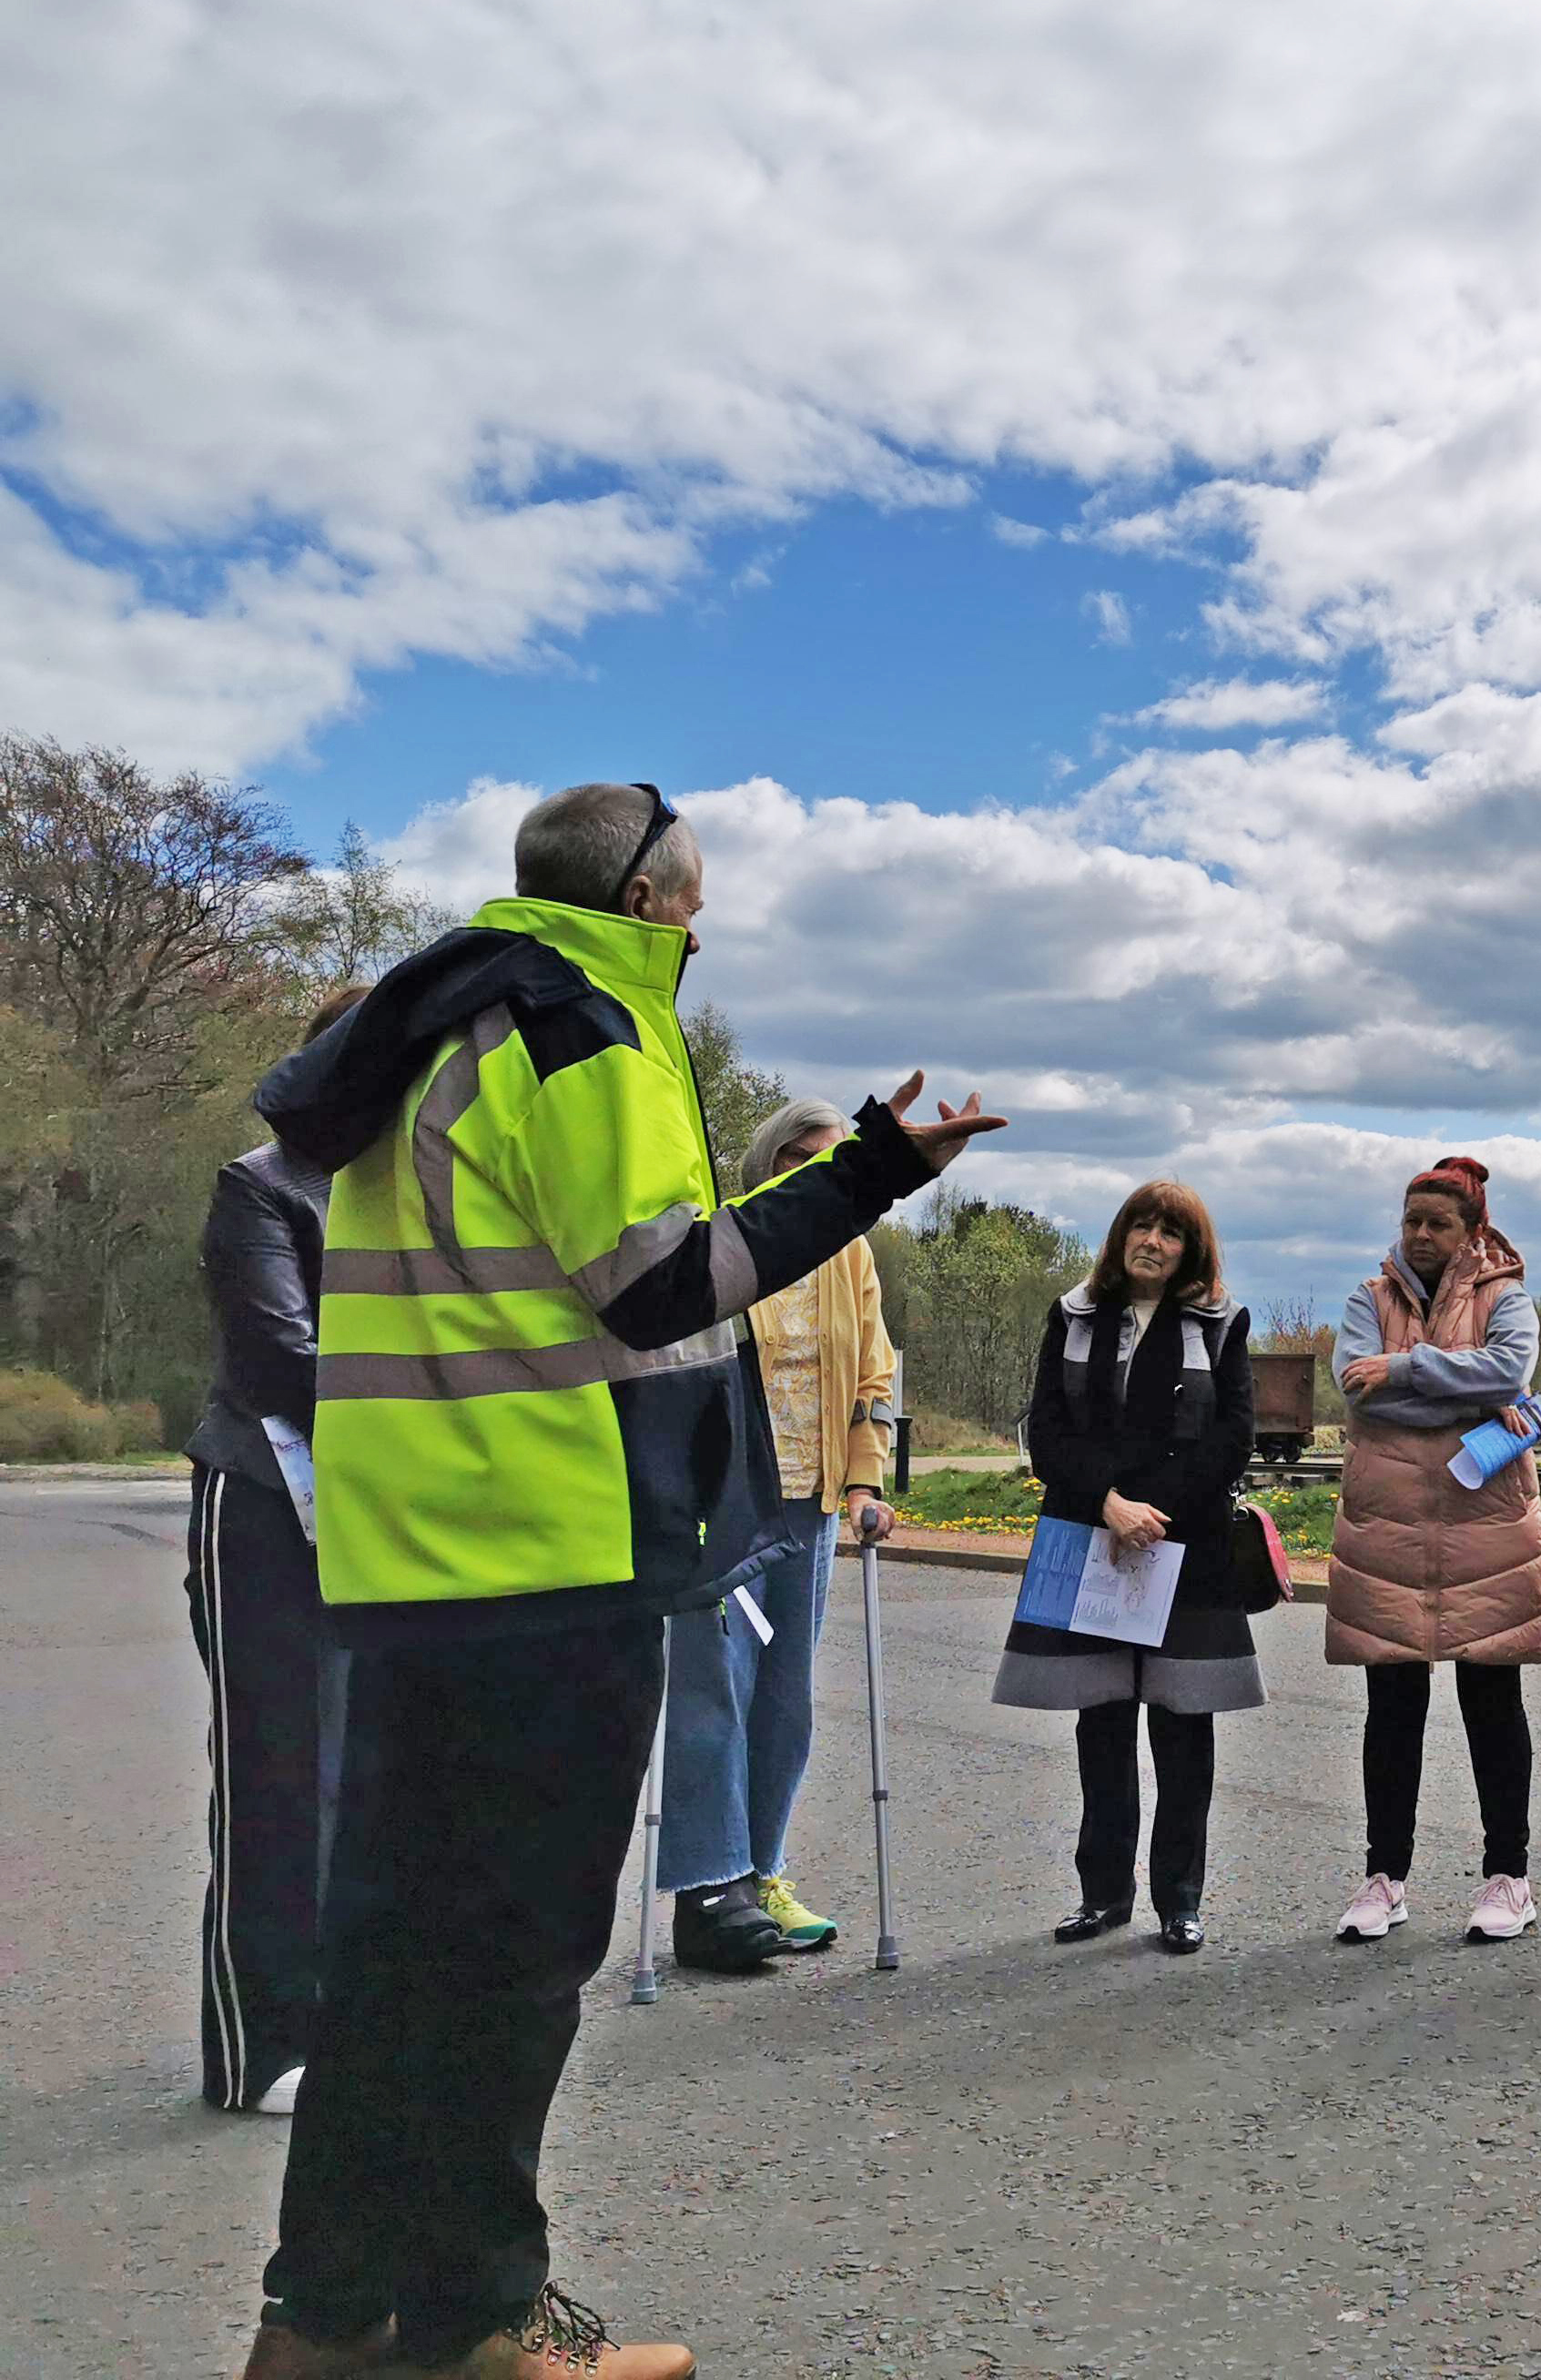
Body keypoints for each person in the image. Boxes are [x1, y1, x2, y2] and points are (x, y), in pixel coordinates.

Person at [238, 781, 1001, 2380]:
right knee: (513, 1951)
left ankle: (327, 2315)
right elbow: (662, 1284)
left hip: (418, 1545)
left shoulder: (426, 1021)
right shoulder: (581, 1027)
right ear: (650, 897)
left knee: (397, 1944)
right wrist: (869, 1173)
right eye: (696, 895)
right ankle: (482, 2324)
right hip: (549, 1543)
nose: (703, 925)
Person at [654, 1098, 902, 1971]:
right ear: (766, 1161)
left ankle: (763, 1871)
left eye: (830, 1157)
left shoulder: (851, 1253)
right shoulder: (723, 1238)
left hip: (814, 1497)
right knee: (712, 1688)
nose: (812, 1166)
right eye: (797, 1153)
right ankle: (705, 1885)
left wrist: (867, 1475)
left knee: (785, 1694)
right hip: (725, 1499)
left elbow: (875, 1370)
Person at [183, 984, 369, 2118]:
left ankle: (350, 2020)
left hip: (379, 1513)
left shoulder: (420, 1193)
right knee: (276, 1774)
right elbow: (279, 1357)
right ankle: (259, 2049)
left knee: (369, 1778)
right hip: (260, 1501)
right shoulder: (259, 1187)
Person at [993, 1180, 1257, 1957]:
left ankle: (1181, 1901)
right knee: (1100, 1721)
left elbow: (1232, 1435)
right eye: (1140, 1226)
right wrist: (1109, 1503)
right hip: (1089, 1530)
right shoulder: (1072, 1313)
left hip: (1186, 1541)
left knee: (1182, 1725)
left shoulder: (1222, 1322)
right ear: (1119, 1238)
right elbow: (1046, 1430)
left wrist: (1153, 1512)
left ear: (1191, 1249)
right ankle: (1103, 1895)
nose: (1152, 1241)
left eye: (1170, 1232)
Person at [1323, 1156, 1541, 1944]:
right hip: (1387, 1527)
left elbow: (1510, 1368)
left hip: (1483, 1526)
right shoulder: (1367, 1298)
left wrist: (1408, 1370)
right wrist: (1469, 1398)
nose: (1420, 1234)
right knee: (1392, 1707)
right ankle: (1384, 1877)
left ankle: (1508, 1877)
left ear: (1471, 1232)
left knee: (1492, 1703)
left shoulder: (1506, 1298)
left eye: (1438, 1223)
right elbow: (1356, 1386)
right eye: (1411, 1219)